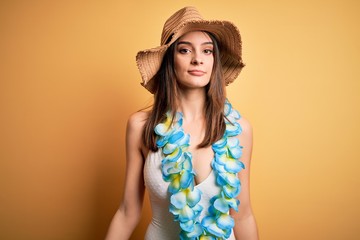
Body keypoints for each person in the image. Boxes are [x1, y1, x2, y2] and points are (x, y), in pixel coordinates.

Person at [105, 6, 259, 240]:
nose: (198, 59)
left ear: (214, 62)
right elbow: (128, 212)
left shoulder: (239, 130)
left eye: (207, 51)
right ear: (169, 59)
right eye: (185, 50)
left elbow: (242, 215)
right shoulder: (140, 126)